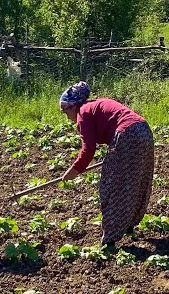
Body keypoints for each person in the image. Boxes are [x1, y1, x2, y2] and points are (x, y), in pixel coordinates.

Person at [56, 82, 154, 246]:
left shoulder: (83, 113)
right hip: (144, 131)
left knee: (112, 186)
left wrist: (73, 171)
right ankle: (129, 226)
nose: (67, 117)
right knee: (136, 181)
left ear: (73, 106)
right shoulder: (96, 104)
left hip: (127, 134)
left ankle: (110, 240)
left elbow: (88, 149)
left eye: (65, 111)